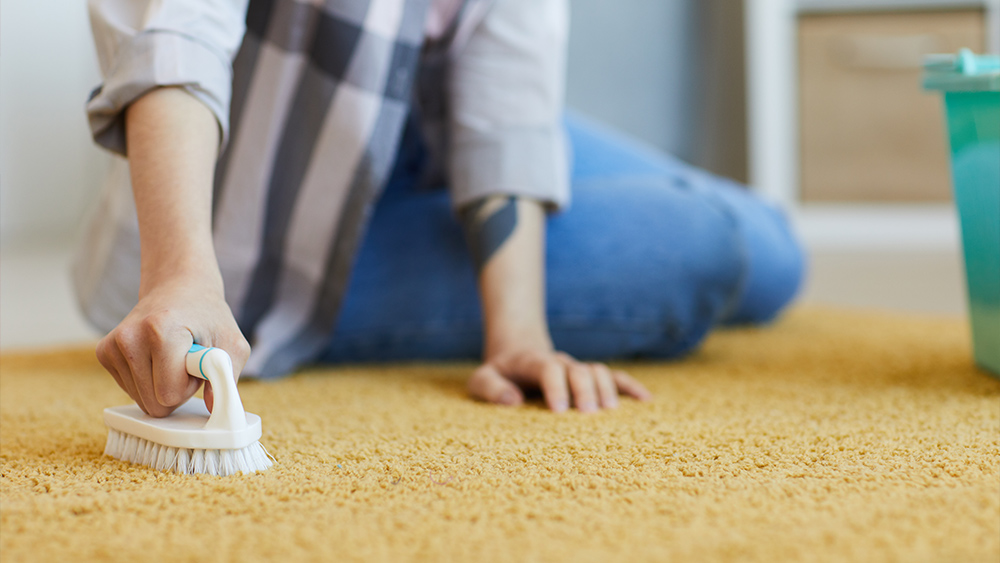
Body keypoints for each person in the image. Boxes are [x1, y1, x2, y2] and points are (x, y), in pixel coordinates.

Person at [74, 0, 804, 418]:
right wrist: (179, 273)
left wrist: (518, 332)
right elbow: (174, 41)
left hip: (428, 134)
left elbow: (507, 107)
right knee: (709, 244)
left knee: (772, 250)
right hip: (253, 221)